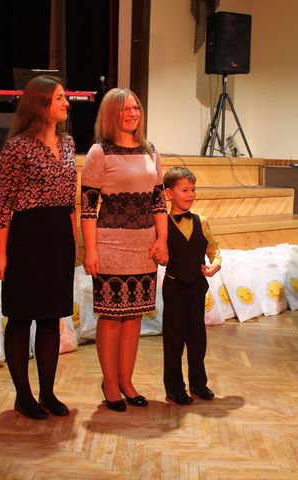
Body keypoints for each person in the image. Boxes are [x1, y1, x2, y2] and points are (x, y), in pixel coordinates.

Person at [0, 75, 76, 420]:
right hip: (27, 236)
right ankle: (23, 396)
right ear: (41, 104)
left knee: (50, 317)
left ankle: (47, 392)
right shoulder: (18, 147)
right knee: (21, 316)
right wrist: (0, 253)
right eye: (60, 98)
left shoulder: (68, 144)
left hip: (59, 235)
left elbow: (70, 200)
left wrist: (74, 242)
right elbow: (3, 203)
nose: (66, 103)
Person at [81, 88, 168, 412]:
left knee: (134, 317)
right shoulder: (99, 152)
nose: (133, 113)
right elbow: (88, 208)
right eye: (125, 109)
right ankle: (110, 383)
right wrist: (91, 250)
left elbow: (159, 200)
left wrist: (162, 239)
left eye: (136, 108)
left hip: (143, 246)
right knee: (112, 316)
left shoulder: (150, 150)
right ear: (111, 114)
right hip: (110, 244)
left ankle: (126, 381)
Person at [161, 167, 221, 405]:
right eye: (184, 190)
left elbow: (214, 248)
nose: (190, 194)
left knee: (197, 338)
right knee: (173, 340)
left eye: (193, 190)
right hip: (174, 287)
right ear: (169, 193)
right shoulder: (162, 224)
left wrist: (216, 264)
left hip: (197, 287)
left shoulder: (201, 221)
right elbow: (158, 253)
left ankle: (198, 383)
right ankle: (174, 388)